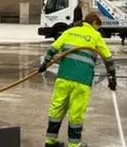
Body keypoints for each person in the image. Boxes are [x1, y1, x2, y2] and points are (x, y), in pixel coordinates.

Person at [38, 11, 117, 147]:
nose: (98, 29)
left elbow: (53, 48)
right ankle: (74, 145)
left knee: (56, 109)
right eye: (98, 26)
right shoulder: (95, 36)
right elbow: (107, 58)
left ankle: (50, 142)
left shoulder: (70, 32)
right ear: (94, 23)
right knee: (76, 113)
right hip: (82, 81)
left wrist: (45, 63)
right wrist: (112, 77)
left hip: (63, 78)